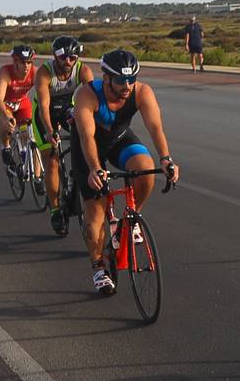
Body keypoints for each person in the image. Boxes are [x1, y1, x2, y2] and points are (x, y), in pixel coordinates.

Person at [72, 50, 179, 295]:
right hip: (89, 148)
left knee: (145, 171)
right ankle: (99, 266)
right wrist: (95, 169)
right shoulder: (87, 94)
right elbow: (87, 137)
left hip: (119, 140)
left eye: (132, 79)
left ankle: (130, 222)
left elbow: (155, 127)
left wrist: (166, 159)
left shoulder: (142, 91)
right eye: (121, 80)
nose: (128, 85)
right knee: (95, 210)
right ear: (106, 78)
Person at [33, 36, 94, 235]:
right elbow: (43, 107)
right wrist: (50, 132)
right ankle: (56, 209)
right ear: (54, 56)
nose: (67, 62)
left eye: (72, 57)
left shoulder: (83, 70)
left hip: (68, 109)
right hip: (45, 114)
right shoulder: (44, 72)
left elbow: (93, 100)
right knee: (52, 160)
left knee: (87, 138)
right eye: (63, 57)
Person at [0, 44, 38, 169]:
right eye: (23, 62)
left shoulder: (34, 72)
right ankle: (5, 146)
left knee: (27, 131)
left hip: (22, 103)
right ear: (15, 62)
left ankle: (26, 158)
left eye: (29, 62)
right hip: (4, 103)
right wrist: (6, 117)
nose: (27, 66)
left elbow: (45, 93)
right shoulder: (5, 72)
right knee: (8, 126)